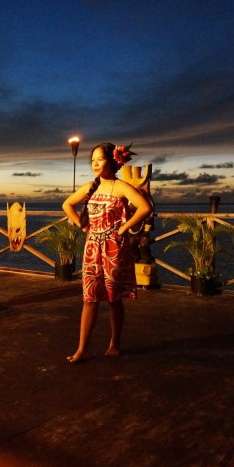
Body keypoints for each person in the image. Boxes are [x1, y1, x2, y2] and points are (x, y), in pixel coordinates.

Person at [62, 142, 152, 363]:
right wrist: (83, 227)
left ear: (112, 161)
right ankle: (82, 348)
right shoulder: (90, 187)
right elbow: (67, 205)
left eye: (99, 159)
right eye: (92, 159)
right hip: (92, 248)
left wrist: (122, 228)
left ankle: (115, 341)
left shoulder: (120, 186)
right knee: (89, 298)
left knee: (113, 299)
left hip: (114, 248)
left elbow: (145, 207)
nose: (95, 163)